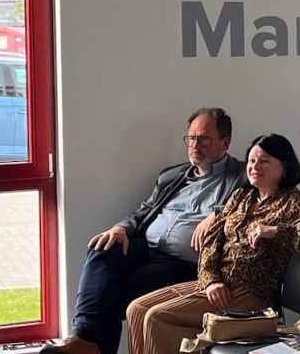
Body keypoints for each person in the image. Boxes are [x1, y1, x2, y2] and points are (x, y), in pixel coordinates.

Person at [43, 108, 246, 354]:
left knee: (110, 292)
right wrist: (120, 228)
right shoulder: (173, 175)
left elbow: (259, 201)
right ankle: (85, 339)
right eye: (191, 138)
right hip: (146, 248)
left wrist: (218, 213)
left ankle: (86, 343)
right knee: (102, 247)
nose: (195, 145)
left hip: (184, 262)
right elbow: (144, 210)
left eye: (204, 139)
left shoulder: (243, 176)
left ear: (225, 143)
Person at [126, 134, 300, 354]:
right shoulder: (241, 197)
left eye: (265, 161)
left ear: (284, 167)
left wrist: (276, 231)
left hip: (252, 294)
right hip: (219, 287)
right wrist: (211, 280)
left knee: (157, 317)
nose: (255, 166)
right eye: (252, 160)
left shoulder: (294, 201)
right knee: (136, 309)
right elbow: (211, 241)